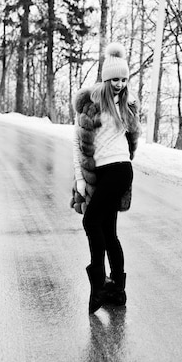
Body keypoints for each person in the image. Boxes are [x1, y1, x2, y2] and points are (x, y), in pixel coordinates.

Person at [71, 42, 141, 314]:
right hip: (99, 173)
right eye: (115, 79)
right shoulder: (90, 104)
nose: (120, 84)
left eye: (124, 79)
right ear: (104, 78)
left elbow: (132, 143)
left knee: (91, 220)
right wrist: (80, 178)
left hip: (119, 170)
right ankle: (117, 291)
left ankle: (99, 283)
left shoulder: (127, 106)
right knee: (109, 232)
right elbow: (77, 144)